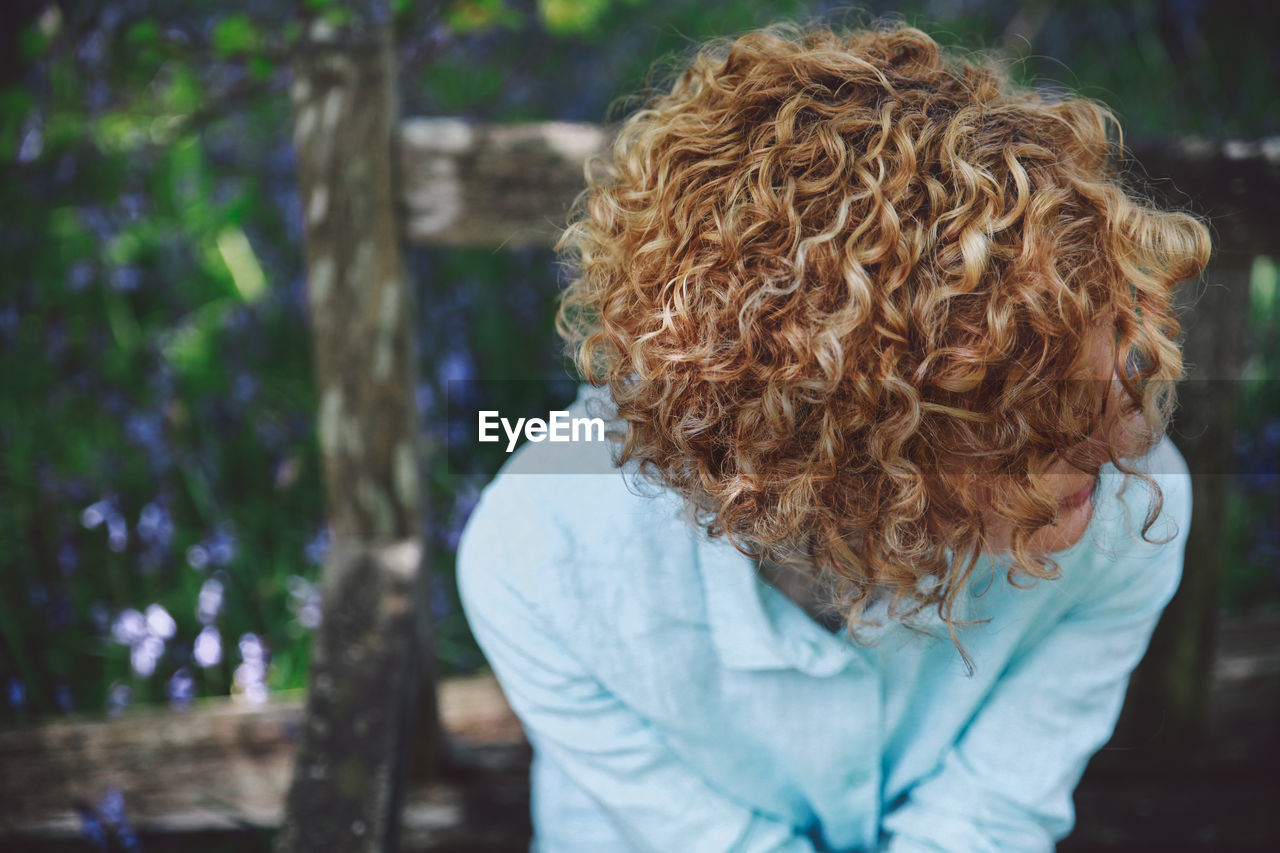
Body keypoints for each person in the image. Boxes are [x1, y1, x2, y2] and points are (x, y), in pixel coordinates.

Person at [457, 19, 1211, 853]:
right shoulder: (536, 562)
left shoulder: (1126, 512)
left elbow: (988, 820)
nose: (1124, 439)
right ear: (833, 458)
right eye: (1032, 424)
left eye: (1111, 361)